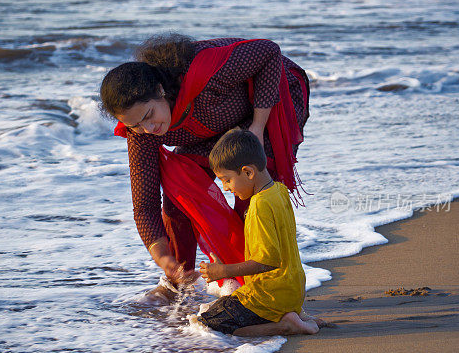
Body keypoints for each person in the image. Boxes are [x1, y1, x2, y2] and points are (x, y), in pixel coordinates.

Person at [99, 34, 310, 302]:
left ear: (161, 91)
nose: (148, 129)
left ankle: (263, 283)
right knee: (180, 197)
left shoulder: (204, 74)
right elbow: (144, 204)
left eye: (149, 116)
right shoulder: (141, 131)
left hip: (271, 97)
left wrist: (257, 126)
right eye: (135, 125)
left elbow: (269, 52)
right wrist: (164, 258)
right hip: (211, 126)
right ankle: (180, 281)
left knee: (251, 191)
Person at [198, 129, 320, 336]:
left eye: (227, 179)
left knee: (208, 323)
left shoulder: (259, 205)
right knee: (219, 311)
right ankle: (292, 314)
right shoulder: (279, 191)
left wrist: (223, 271)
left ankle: (285, 325)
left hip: (269, 295)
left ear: (248, 172)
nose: (226, 188)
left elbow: (268, 261)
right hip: (292, 289)